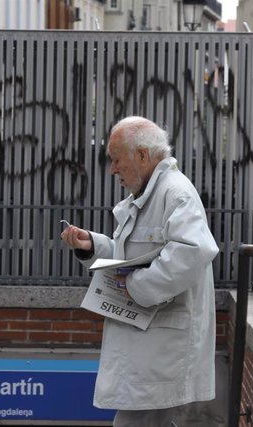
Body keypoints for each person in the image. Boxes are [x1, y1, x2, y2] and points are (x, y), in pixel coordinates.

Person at [60, 116, 219, 427]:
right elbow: (133, 257)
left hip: (161, 350)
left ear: (143, 156)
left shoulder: (175, 192)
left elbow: (193, 251)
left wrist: (137, 287)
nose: (113, 169)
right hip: (151, 346)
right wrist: (92, 245)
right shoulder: (152, 194)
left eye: (116, 159)